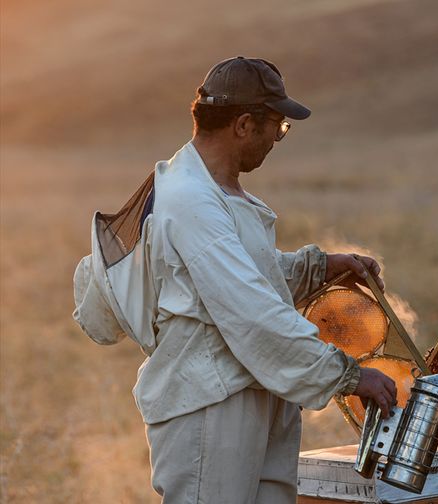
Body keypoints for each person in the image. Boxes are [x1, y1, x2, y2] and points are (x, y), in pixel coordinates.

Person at [82, 56, 399, 503]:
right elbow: (250, 309)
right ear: (245, 124)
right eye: (278, 126)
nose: (277, 138)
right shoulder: (191, 201)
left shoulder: (217, 191)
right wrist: (346, 375)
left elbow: (248, 276)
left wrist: (320, 265)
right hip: (210, 407)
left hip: (254, 393)